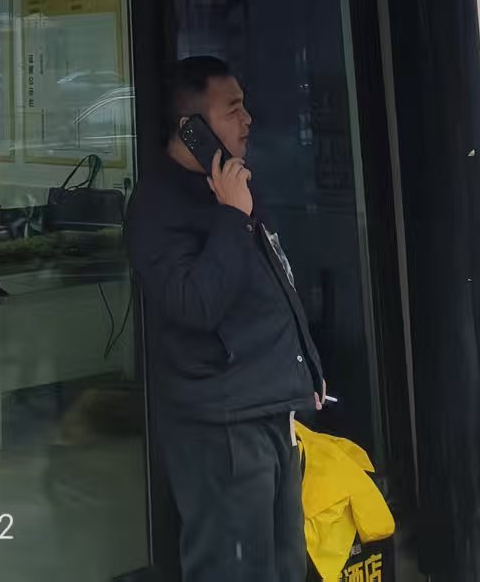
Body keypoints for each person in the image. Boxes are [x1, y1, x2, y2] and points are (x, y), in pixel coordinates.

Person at [125, 55, 325, 582]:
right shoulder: (158, 206)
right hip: (221, 423)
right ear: (192, 127)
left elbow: (277, 283)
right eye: (232, 109)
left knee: (284, 564)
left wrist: (308, 369)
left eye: (245, 106)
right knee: (235, 568)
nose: (248, 120)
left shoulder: (231, 186)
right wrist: (232, 215)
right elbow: (196, 304)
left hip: (269, 407)